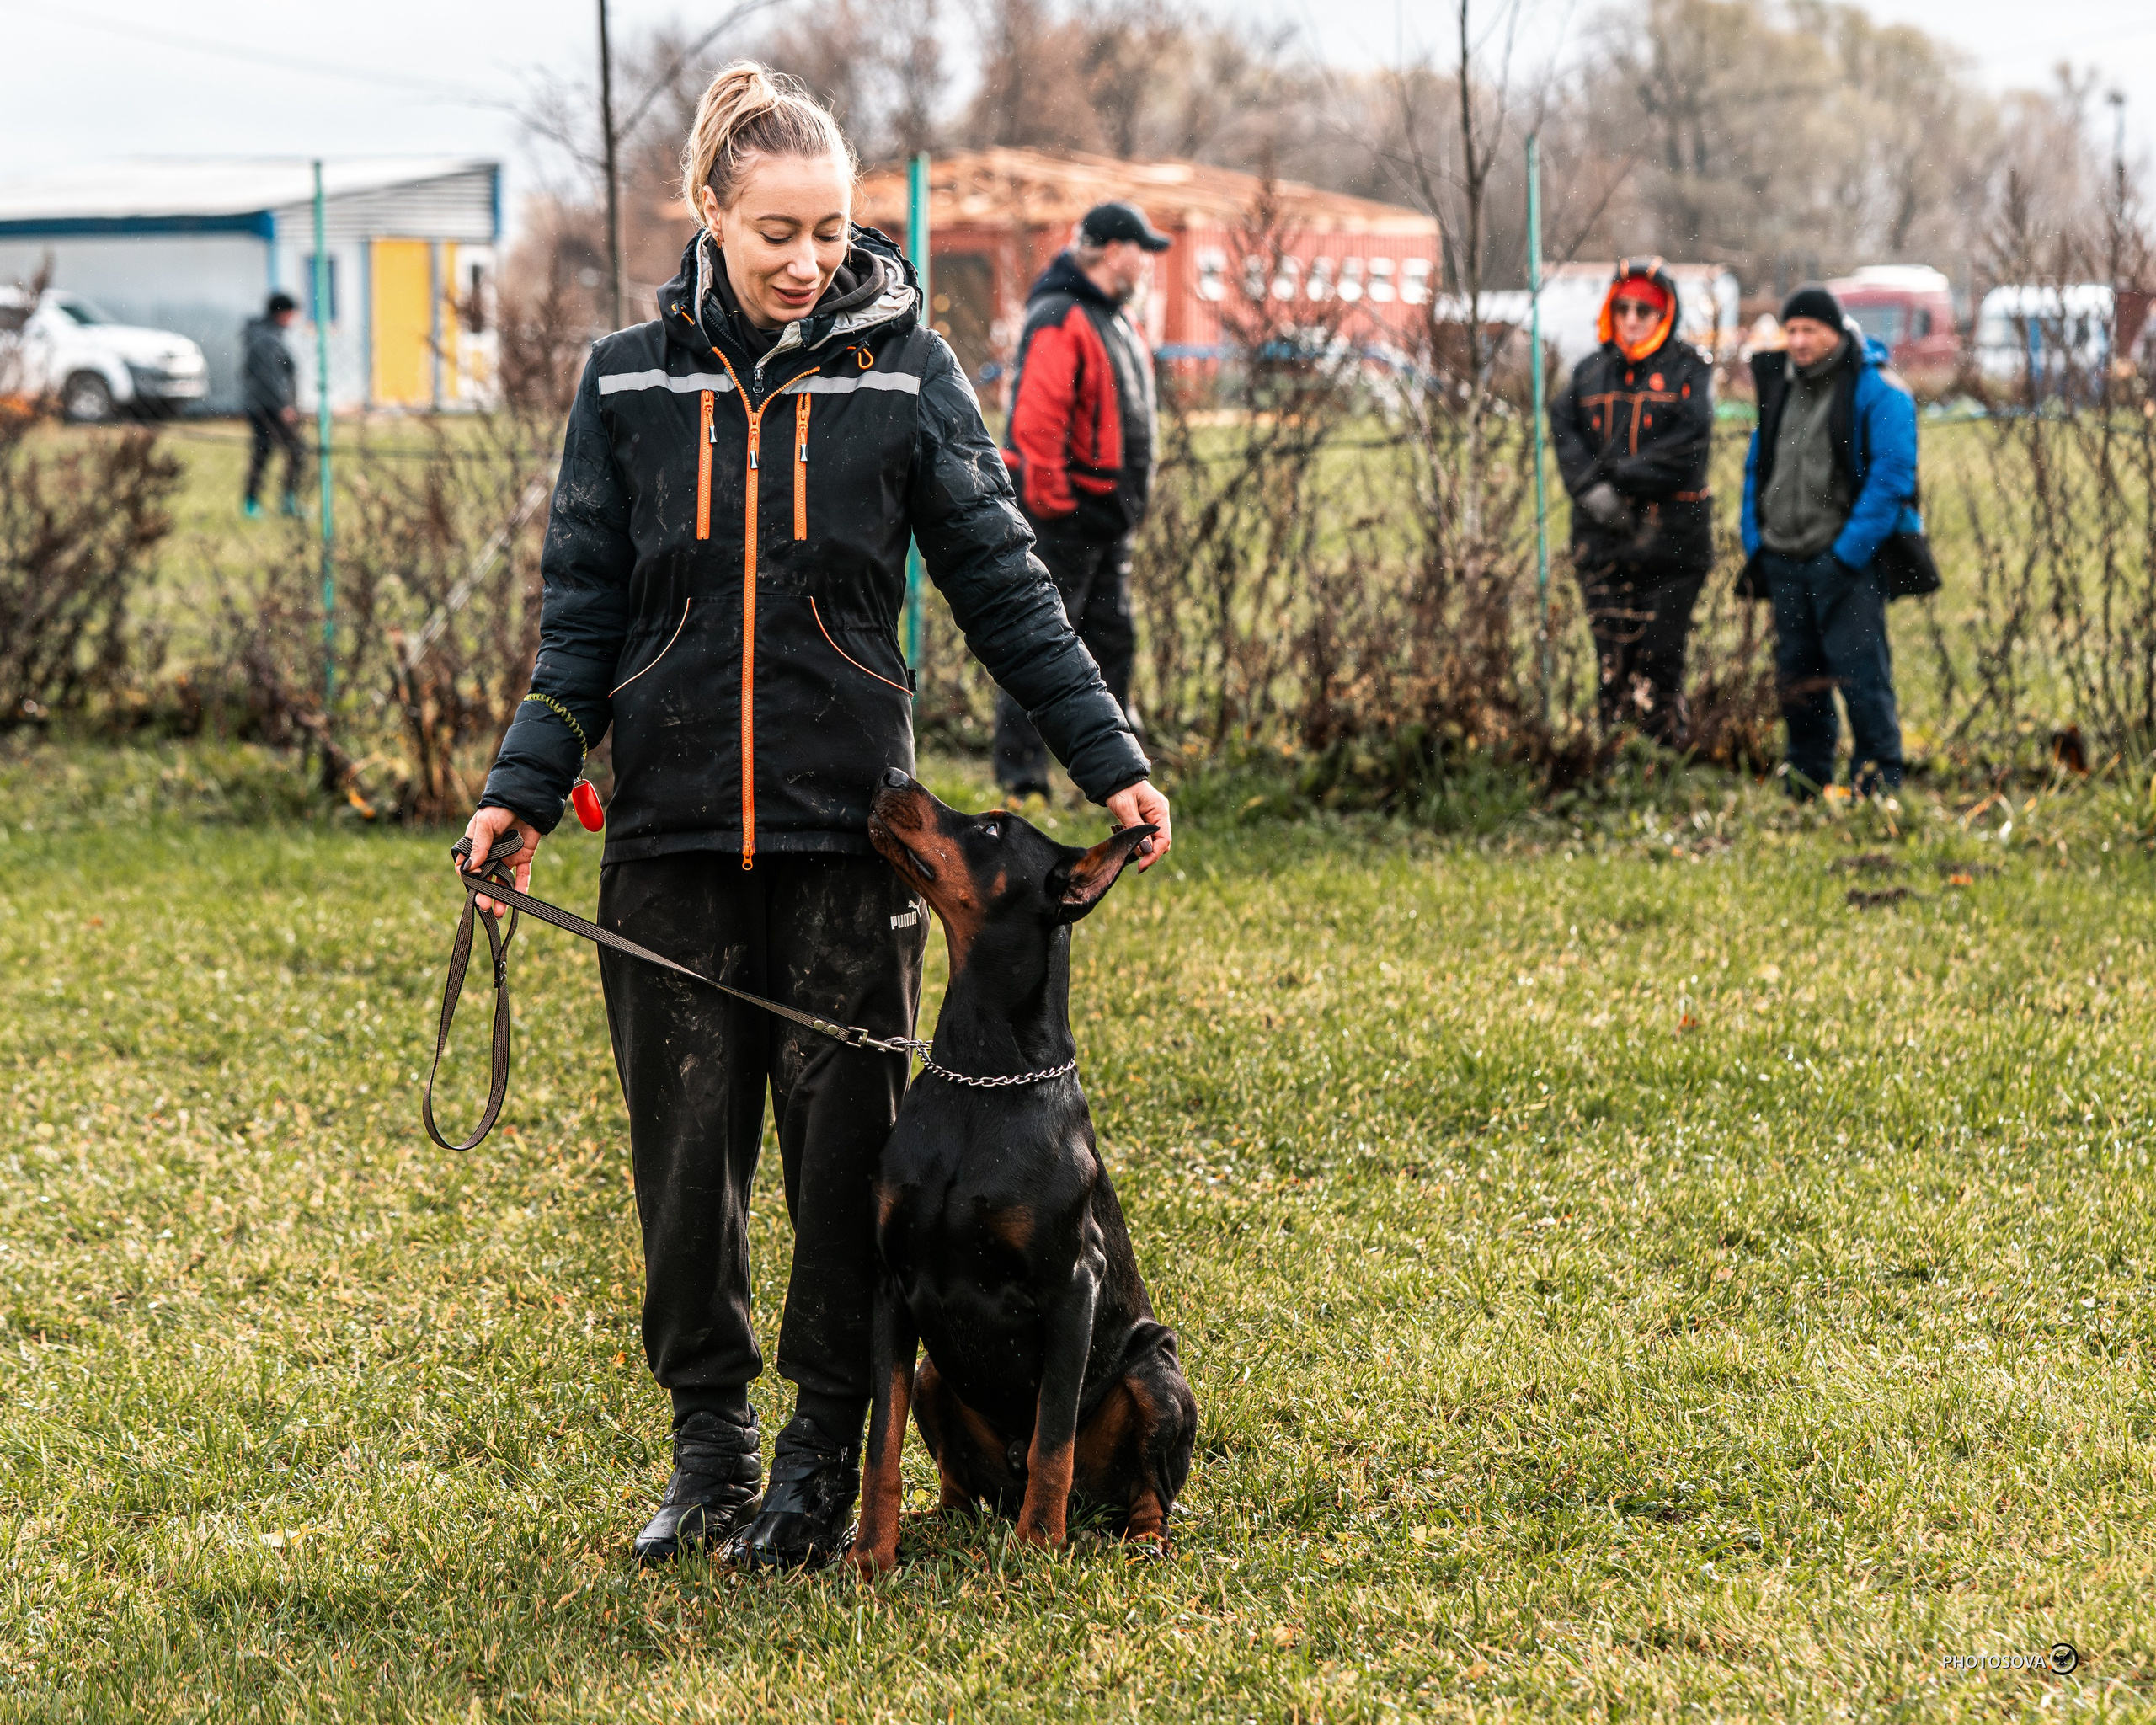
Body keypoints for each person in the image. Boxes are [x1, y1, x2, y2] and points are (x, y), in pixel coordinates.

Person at [460, 63, 1173, 1573]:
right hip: (661, 837)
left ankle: (814, 1461)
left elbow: (1004, 583)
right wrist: (523, 789)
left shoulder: (907, 376)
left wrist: (1106, 752)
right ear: (707, 211)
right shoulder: (627, 386)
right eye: (777, 227)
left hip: (850, 839)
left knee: (846, 1171)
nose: (808, 259)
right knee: (683, 1160)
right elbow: (580, 612)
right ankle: (707, 1448)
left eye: (834, 230)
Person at [993, 200, 1169, 800]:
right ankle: (1022, 778)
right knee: (1042, 646)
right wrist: (1053, 509)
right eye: (1143, 250)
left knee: (1112, 645)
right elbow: (1036, 424)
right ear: (1114, 250)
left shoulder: (1114, 318)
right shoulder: (1060, 315)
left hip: (1107, 523)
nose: (1148, 263)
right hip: (1065, 522)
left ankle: (1109, 775)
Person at [1739, 284, 1925, 798]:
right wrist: (1756, 543)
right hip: (1783, 557)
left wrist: (1845, 556)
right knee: (1797, 682)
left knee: (1862, 677)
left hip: (1846, 562)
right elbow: (1757, 467)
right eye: (1791, 330)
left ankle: (1877, 783)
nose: (1798, 341)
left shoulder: (1876, 389)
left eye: (1809, 330)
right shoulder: (1780, 387)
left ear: (1835, 331)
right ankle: (1805, 778)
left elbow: (1892, 478)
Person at [1549, 258, 1714, 746]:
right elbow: (1564, 432)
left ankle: (1663, 755)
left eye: (1645, 309)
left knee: (1660, 658)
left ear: (1664, 313)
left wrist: (1619, 480)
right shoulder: (1588, 372)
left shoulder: (1689, 371)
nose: (1633, 318)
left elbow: (1687, 448)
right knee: (1611, 657)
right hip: (1602, 542)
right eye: (1623, 307)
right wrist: (1590, 491)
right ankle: (1614, 751)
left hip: (1673, 541)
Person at [241, 291, 302, 519]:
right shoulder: (267, 338)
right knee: (296, 449)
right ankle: (286, 501)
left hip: (260, 404)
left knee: (263, 451)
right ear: (283, 313)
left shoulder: (264, 334)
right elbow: (270, 377)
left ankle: (252, 503)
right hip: (268, 406)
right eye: (291, 314)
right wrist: (283, 406)